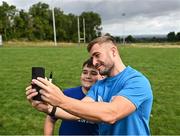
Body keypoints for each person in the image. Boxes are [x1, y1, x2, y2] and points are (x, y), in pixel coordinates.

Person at [26, 36, 153, 135]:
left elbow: (112, 114)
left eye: (97, 55)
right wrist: (48, 108)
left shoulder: (136, 81)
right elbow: (77, 112)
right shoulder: (99, 85)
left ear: (113, 51)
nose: (94, 62)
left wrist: (61, 99)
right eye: (92, 57)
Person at [44, 58, 101, 135]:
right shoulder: (67, 94)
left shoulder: (103, 99)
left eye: (93, 73)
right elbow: (50, 119)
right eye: (85, 72)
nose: (88, 76)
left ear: (102, 76)